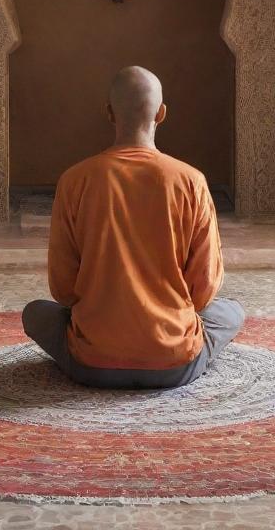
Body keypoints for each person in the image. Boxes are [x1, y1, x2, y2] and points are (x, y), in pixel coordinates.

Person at [22, 65, 245, 389]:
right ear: (162, 114)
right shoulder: (191, 181)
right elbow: (203, 290)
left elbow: (64, 289)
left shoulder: (75, 181)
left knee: (35, 313)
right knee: (231, 311)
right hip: (175, 361)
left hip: (92, 362)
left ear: (110, 113)